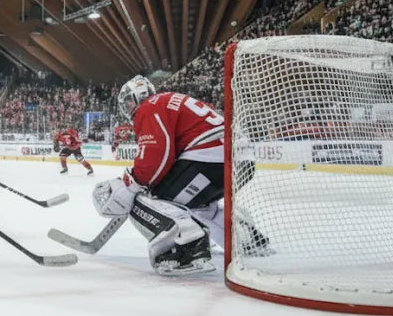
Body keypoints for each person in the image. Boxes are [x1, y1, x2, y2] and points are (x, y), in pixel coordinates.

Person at [91, 75, 268, 276]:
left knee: (155, 199)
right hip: (239, 159)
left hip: (214, 158)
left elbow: (157, 155)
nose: (128, 107)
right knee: (195, 206)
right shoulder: (168, 101)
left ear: (140, 96)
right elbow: (168, 154)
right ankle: (246, 239)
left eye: (129, 101)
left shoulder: (149, 106)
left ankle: (188, 250)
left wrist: (132, 183)